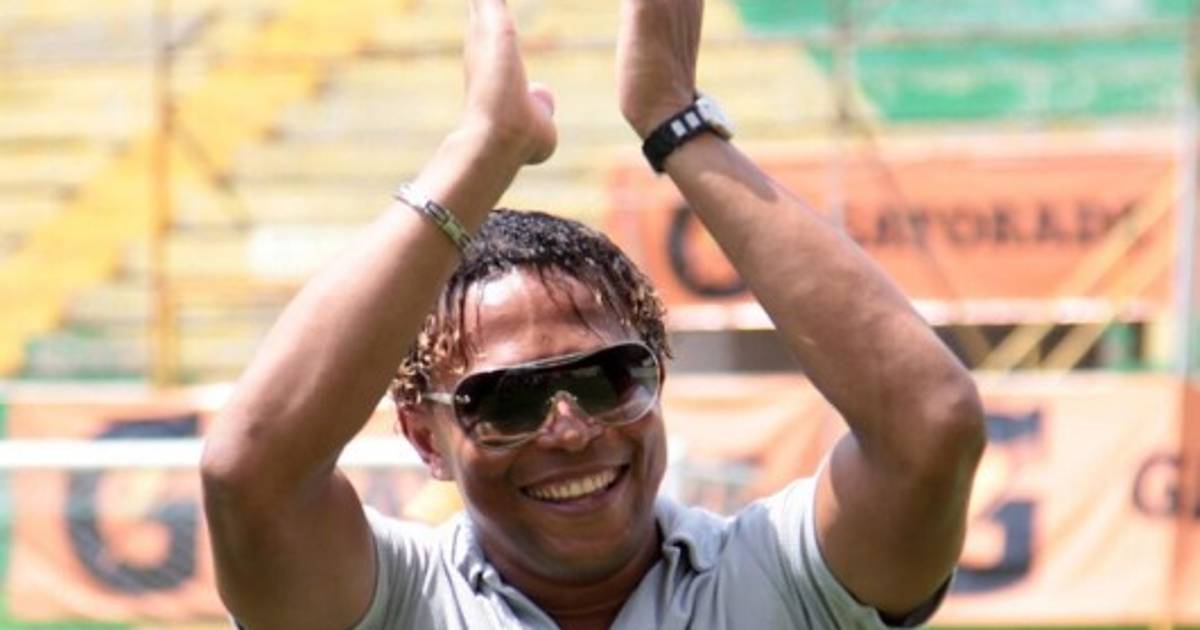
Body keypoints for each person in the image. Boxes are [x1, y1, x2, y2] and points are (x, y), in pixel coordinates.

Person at [200, 0, 986, 628]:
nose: (571, 429)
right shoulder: (399, 602)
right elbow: (250, 474)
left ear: (657, 379)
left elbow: (930, 424)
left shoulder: (781, 578)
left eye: (608, 377)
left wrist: (673, 120)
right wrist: (483, 148)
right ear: (424, 437)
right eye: (508, 400)